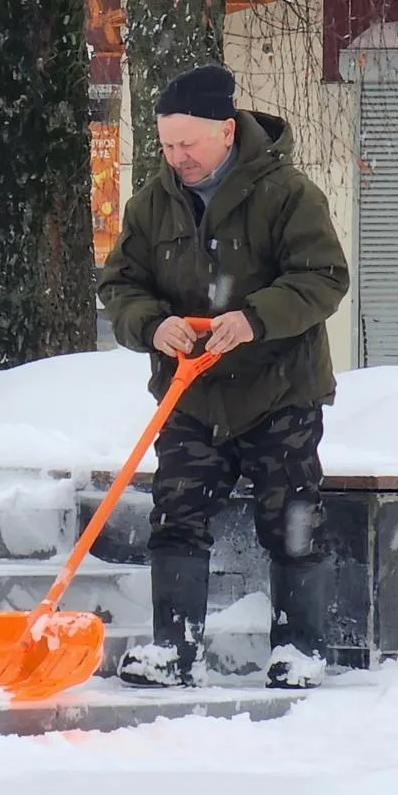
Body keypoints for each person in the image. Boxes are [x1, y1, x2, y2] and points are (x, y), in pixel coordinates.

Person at [98, 64, 350, 689]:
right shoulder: (151, 205)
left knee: (292, 521)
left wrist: (256, 318)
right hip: (191, 393)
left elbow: (323, 278)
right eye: (165, 144)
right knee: (176, 516)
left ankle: (301, 651)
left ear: (226, 131)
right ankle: (174, 651)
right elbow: (120, 286)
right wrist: (152, 325)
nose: (175, 156)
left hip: (279, 391)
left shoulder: (287, 193)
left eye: (187, 143)